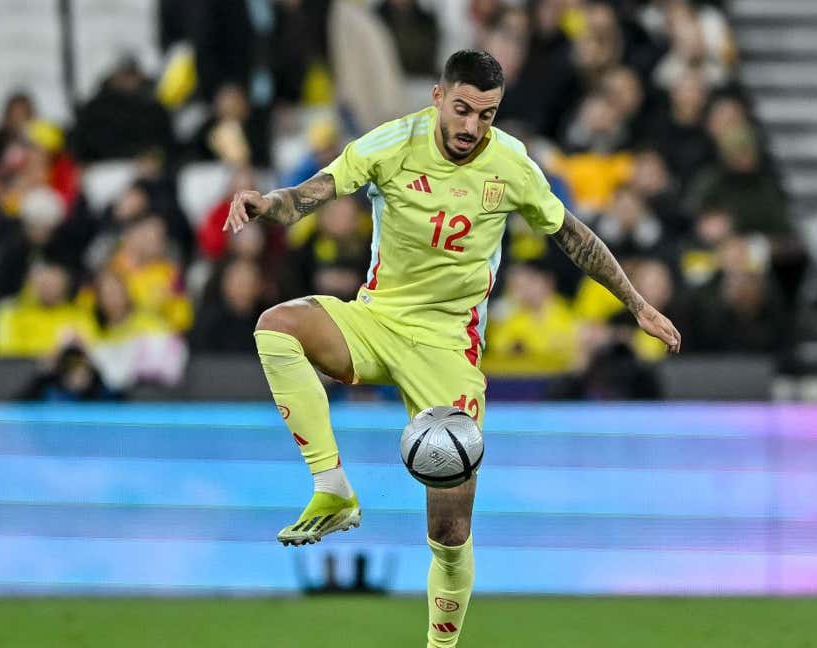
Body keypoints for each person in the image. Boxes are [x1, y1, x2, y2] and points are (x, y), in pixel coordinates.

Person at [224, 50, 680, 648]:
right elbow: (311, 195)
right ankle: (332, 488)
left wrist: (637, 304)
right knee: (275, 325)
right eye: (462, 108)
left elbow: (573, 235)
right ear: (438, 96)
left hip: (449, 350)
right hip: (379, 318)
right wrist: (268, 203)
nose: (471, 127)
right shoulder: (391, 144)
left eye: (486, 115)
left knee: (450, 526)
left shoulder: (512, 165)